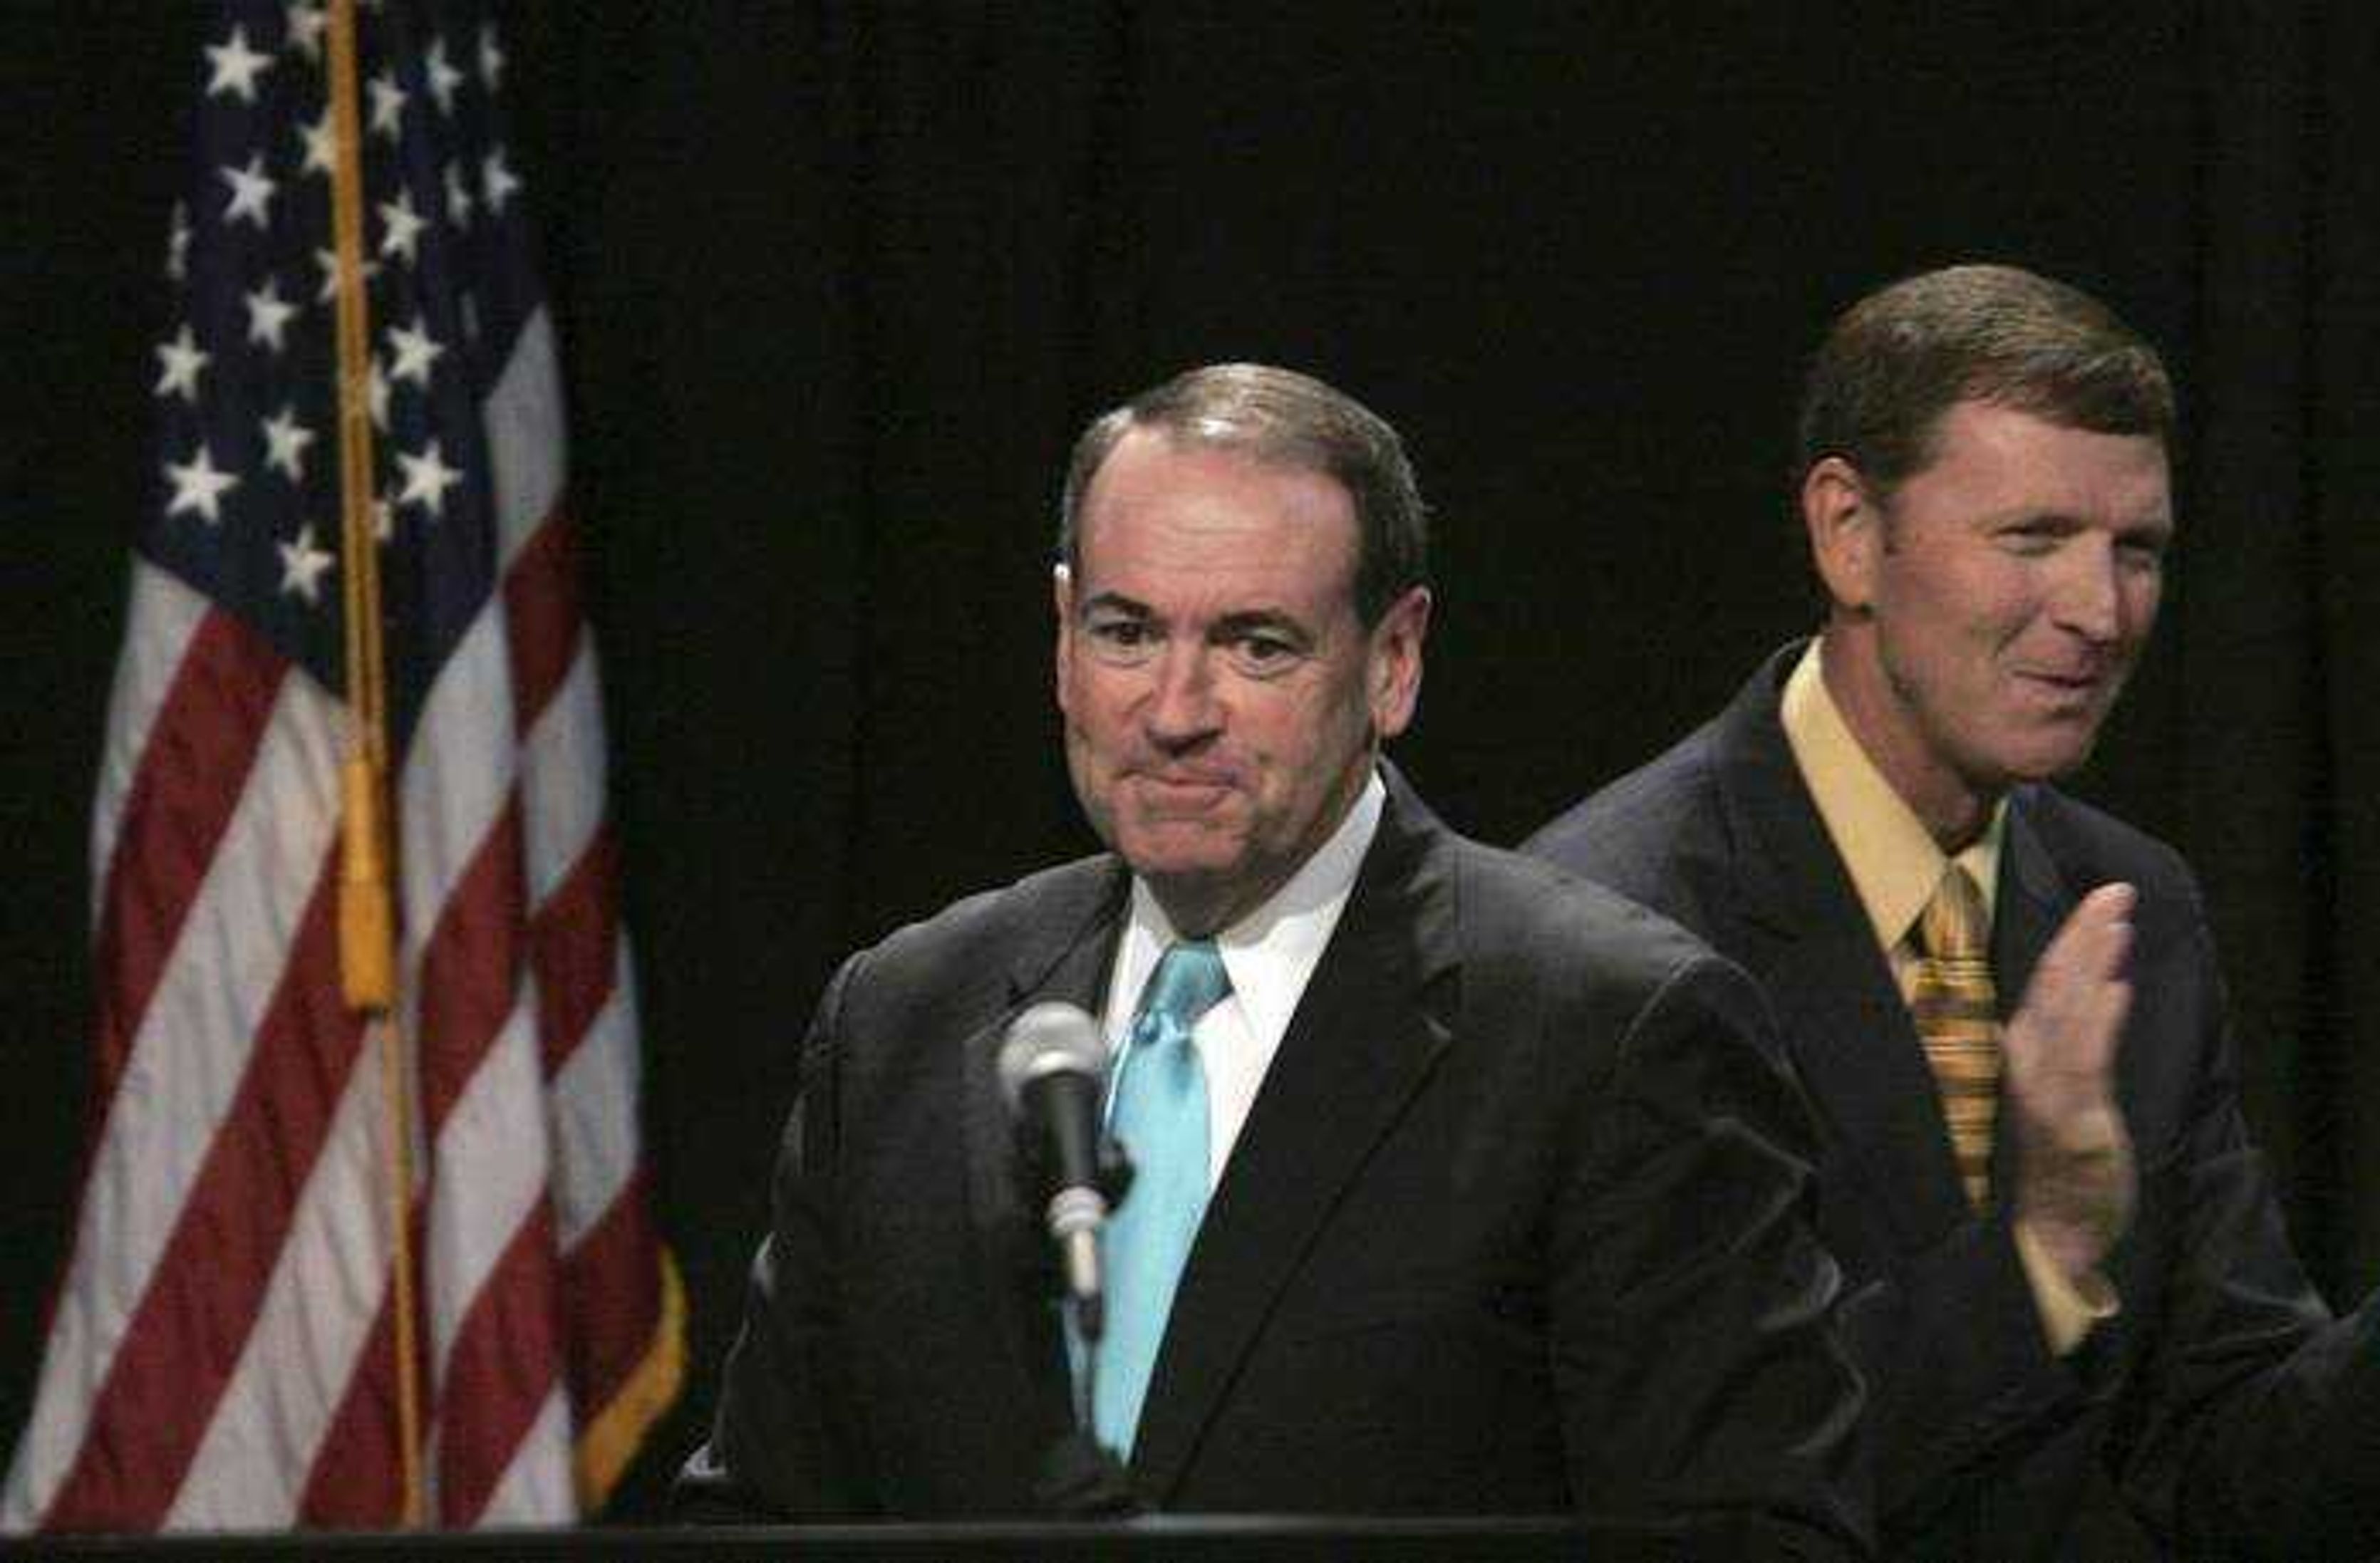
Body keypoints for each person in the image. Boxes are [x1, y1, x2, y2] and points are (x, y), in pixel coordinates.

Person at [1526, 264, 2380, 1559]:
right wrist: (2039, 1256)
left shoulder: (2127, 905)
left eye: (2137, 550)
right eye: (2033, 537)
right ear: (1848, 534)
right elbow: (1701, 1497)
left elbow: (2230, 1475)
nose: (2100, 613)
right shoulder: (1611, 933)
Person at [676, 363, 1871, 1552]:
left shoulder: (1610, 1034)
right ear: (1060, 640)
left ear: (1392, 660)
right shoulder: (901, 1022)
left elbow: (1761, 1538)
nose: (1176, 706)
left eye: (1255, 645)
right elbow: (763, 1516)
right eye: (1126, 630)